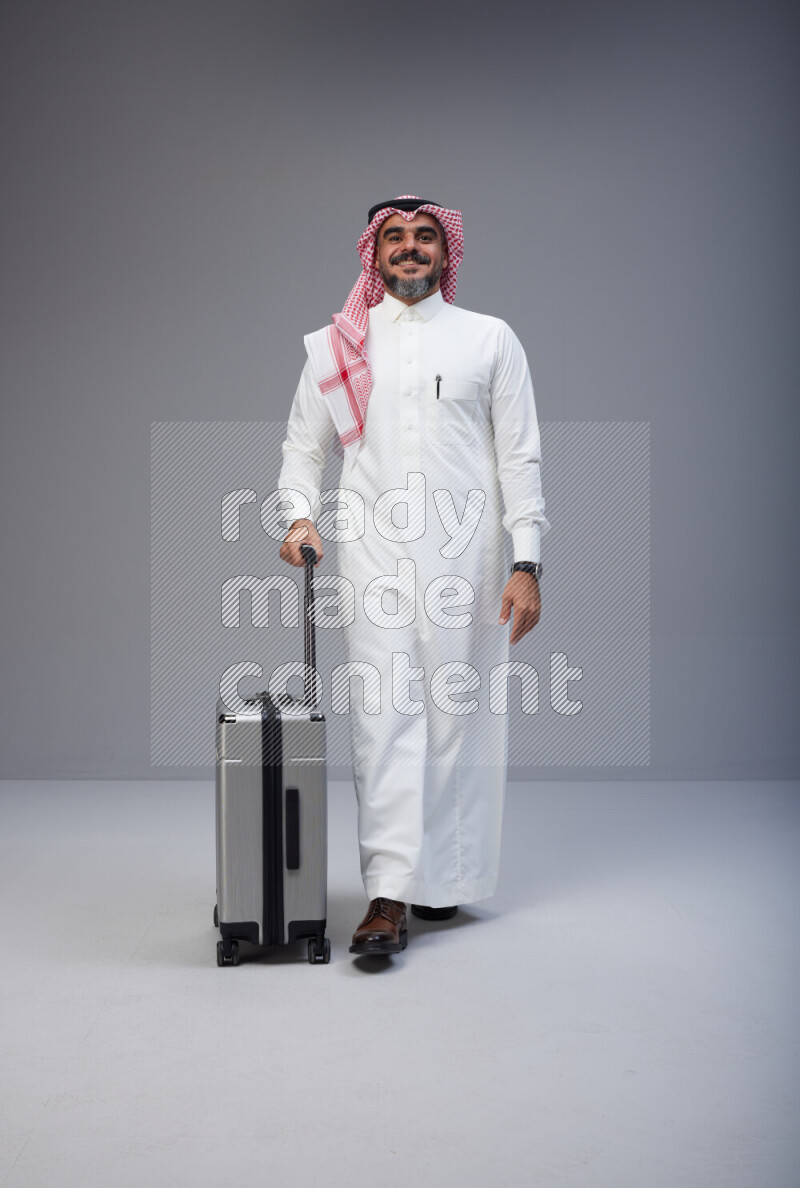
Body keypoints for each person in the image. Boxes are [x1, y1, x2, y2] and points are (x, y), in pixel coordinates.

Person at [277, 195, 549, 957]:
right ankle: (388, 895)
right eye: (394, 238)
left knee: (458, 718)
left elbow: (520, 457)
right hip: (372, 553)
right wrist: (299, 515)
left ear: (446, 252)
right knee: (384, 716)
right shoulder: (337, 347)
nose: (409, 249)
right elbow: (304, 448)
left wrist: (527, 561)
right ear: (373, 252)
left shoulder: (489, 340)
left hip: (471, 558)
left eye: (425, 237)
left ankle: (445, 882)